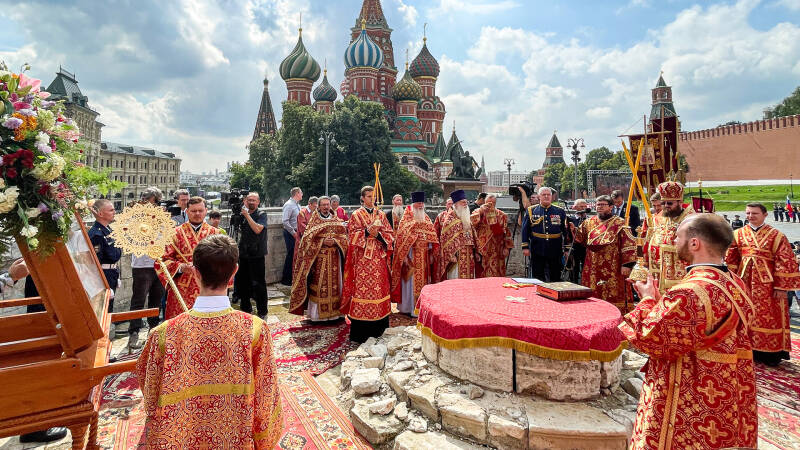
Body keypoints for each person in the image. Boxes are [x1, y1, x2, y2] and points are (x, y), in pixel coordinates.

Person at [621, 213, 758, 450]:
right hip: (724, 387)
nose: (674, 242)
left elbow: (648, 337)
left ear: (695, 243)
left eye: (678, 237)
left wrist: (646, 300)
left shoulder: (689, 292)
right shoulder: (735, 282)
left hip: (689, 392)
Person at [137, 235, 282, 448]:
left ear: (195, 272)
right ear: (234, 272)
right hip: (235, 439)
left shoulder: (162, 334)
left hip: (181, 439)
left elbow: (150, 392)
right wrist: (263, 440)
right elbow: (266, 394)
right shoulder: (255, 330)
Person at [725, 202, 800, 365]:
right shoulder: (738, 234)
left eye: (754, 213)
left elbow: (785, 261)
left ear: (765, 215)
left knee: (769, 316)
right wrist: (730, 281)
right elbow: (731, 259)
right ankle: (746, 349)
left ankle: (770, 354)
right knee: (744, 315)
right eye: (748, 213)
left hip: (769, 285)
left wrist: (781, 287)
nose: (750, 216)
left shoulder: (776, 235)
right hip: (744, 282)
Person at [340, 186, 394, 342]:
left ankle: (380, 328)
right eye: (369, 196)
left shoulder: (381, 215)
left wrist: (379, 235)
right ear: (363, 198)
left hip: (378, 258)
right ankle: (361, 332)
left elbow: (390, 235)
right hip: (363, 260)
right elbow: (351, 235)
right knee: (362, 290)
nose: (372, 199)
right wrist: (365, 232)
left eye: (373, 196)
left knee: (379, 289)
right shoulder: (357, 215)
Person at [571, 195, 636, 313]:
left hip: (613, 265)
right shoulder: (588, 222)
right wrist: (572, 230)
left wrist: (627, 264)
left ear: (611, 207)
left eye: (603, 205)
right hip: (592, 264)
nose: (599, 207)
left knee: (613, 291)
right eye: (598, 205)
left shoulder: (620, 223)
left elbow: (628, 244)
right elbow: (580, 239)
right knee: (593, 290)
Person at [156, 196, 219, 319]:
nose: (197, 214)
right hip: (182, 287)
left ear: (206, 211)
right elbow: (163, 261)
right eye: (193, 211)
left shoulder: (215, 234)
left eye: (200, 211)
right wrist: (181, 267)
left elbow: (223, 261)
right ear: (187, 211)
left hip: (208, 287)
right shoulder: (174, 233)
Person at [289, 196, 347, 321]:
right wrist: (323, 241)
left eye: (328, 204)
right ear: (319, 206)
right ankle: (317, 317)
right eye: (324, 205)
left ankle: (335, 314)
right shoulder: (314, 220)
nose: (326, 207)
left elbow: (344, 237)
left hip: (335, 259)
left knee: (336, 287)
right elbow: (306, 240)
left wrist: (336, 241)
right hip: (319, 260)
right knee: (320, 287)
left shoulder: (336, 219)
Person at [128, 188, 166, 350]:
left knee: (156, 299)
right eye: (154, 201)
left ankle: (153, 329)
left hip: (159, 264)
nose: (156, 205)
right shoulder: (134, 215)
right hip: (142, 264)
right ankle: (134, 332)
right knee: (139, 299)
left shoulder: (161, 217)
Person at [390, 192, 439, 316]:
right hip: (411, 255)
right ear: (414, 204)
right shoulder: (407, 217)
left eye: (422, 203)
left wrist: (432, 252)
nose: (421, 205)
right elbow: (401, 238)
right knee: (409, 283)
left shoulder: (426, 217)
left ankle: (421, 307)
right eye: (419, 203)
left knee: (423, 283)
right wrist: (405, 256)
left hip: (424, 256)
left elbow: (432, 236)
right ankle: (408, 307)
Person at [641, 181, 693, 294]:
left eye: (669, 203)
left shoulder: (692, 220)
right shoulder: (661, 218)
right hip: (658, 274)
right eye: (663, 203)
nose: (665, 207)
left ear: (680, 202)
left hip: (681, 275)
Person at [521, 186, 567, 282]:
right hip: (537, 247)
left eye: (548, 195)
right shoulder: (531, 210)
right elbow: (525, 230)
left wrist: (567, 248)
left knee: (555, 274)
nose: (546, 196)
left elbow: (565, 230)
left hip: (555, 247)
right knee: (538, 274)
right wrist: (525, 247)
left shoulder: (560, 211)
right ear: (539, 196)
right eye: (543, 195)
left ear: (552, 196)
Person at [235, 192, 269, 318]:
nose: (251, 202)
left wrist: (247, 216)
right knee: (243, 283)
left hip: (257, 254)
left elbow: (258, 229)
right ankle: (245, 309)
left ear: (258, 202)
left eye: (254, 200)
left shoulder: (261, 214)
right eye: (249, 200)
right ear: (245, 201)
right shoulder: (242, 214)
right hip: (243, 254)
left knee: (259, 284)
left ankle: (262, 311)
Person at [89, 199, 122, 312]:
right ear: (100, 213)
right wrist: (103, 283)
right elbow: (95, 262)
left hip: (111, 273)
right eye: (111, 210)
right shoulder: (96, 234)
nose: (114, 212)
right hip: (103, 276)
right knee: (103, 310)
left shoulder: (108, 230)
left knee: (109, 308)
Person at [437, 190, 477, 280]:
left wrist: (476, 251)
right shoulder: (450, 219)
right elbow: (445, 239)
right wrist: (450, 255)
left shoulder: (466, 218)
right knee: (456, 280)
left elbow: (473, 236)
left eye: (466, 202)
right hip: (457, 256)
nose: (465, 204)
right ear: (456, 205)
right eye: (463, 202)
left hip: (469, 254)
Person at [471, 193, 513, 277]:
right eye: (488, 203)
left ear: (495, 203)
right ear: (484, 202)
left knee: (496, 273)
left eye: (492, 203)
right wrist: (481, 211)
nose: (490, 205)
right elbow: (471, 225)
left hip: (497, 249)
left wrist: (506, 248)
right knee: (481, 274)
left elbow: (506, 233)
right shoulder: (478, 212)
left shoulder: (502, 215)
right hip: (482, 249)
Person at [281, 187, 302, 285]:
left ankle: (293, 277)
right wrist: (294, 233)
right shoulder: (289, 205)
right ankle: (286, 279)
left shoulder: (297, 205)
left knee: (295, 256)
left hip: (296, 233)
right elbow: (285, 221)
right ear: (297, 193)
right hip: (291, 234)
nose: (302, 194)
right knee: (291, 255)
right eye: (301, 193)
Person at [567, 198, 589, 283]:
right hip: (574, 247)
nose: (583, 208)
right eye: (581, 206)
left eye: (585, 206)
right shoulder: (570, 219)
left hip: (586, 247)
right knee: (574, 268)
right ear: (575, 207)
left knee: (586, 267)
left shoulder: (590, 220)